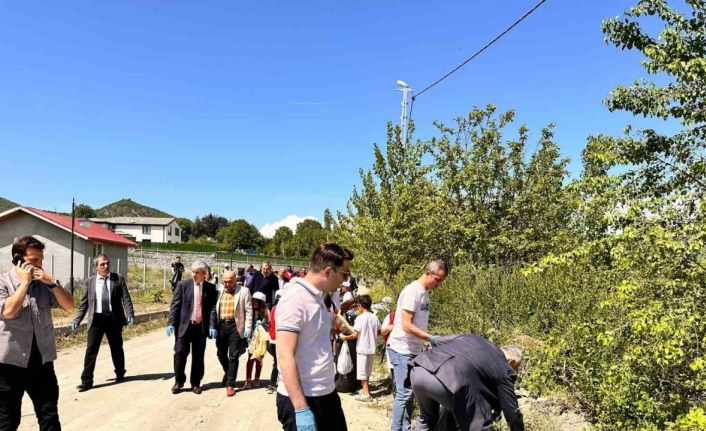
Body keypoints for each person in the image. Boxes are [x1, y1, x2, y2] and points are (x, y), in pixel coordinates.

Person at [276, 243, 354, 431]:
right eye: (344, 274)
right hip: (303, 398)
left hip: (326, 393)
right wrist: (301, 408)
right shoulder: (295, 299)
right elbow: (285, 354)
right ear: (328, 271)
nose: (345, 281)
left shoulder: (320, 297)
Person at [0, 236, 74, 430]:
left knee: (49, 417)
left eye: (41, 260)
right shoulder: (3, 283)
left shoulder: (44, 284)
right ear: (18, 259)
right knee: (7, 421)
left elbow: (69, 305)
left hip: (41, 362)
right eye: (33, 260)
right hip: (9, 365)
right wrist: (24, 284)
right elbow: (8, 311)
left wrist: (52, 284)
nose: (39, 265)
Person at [410, 335, 524, 431]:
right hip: (448, 381)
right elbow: (512, 412)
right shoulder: (504, 367)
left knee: (427, 419)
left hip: (420, 369)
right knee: (479, 425)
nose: (513, 372)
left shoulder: (473, 338)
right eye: (515, 368)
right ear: (511, 361)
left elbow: (437, 341)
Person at [388, 260, 448, 431]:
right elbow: (406, 325)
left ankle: (405, 427)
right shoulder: (412, 292)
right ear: (428, 273)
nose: (439, 284)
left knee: (410, 393)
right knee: (404, 394)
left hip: (415, 350)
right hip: (402, 349)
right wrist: (431, 338)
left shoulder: (425, 293)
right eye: (438, 280)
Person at [71, 253, 135, 392]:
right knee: (91, 350)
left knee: (116, 347)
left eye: (107, 263)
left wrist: (130, 313)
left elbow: (126, 298)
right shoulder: (90, 282)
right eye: (102, 264)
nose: (106, 266)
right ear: (96, 267)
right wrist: (77, 320)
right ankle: (86, 381)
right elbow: (84, 304)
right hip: (96, 320)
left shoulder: (118, 279)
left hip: (113, 319)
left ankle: (120, 372)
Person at [166, 260, 217, 395]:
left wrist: (212, 325)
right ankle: (179, 381)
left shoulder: (210, 289)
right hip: (184, 326)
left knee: (198, 356)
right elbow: (175, 306)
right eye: (193, 272)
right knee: (180, 354)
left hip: (200, 328)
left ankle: (195, 383)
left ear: (205, 274)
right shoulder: (182, 285)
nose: (194, 275)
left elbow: (212, 309)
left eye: (197, 273)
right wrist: (171, 323)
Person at [211, 271, 252, 397]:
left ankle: (230, 384)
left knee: (233, 356)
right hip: (221, 325)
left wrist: (248, 328)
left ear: (235, 280)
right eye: (225, 281)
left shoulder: (244, 291)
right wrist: (212, 326)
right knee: (221, 353)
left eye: (230, 281)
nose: (227, 284)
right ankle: (228, 372)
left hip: (236, 326)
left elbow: (249, 311)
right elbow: (213, 309)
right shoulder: (219, 290)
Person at [339, 294, 380, 402]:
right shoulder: (374, 317)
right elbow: (379, 332)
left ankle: (366, 394)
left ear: (361, 306)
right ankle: (365, 390)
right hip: (372, 347)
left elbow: (355, 335)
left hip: (362, 347)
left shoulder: (360, 318)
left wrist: (345, 337)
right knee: (367, 371)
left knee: (362, 371)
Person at [245, 291, 270, 389]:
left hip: (261, 340)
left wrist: (263, 325)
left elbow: (269, 324)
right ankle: (248, 379)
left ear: (261, 302)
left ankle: (256, 378)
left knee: (259, 358)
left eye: (257, 301)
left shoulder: (266, 312)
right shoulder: (249, 310)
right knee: (250, 358)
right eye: (253, 300)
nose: (254, 302)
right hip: (251, 338)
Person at [266, 290, 282, 394]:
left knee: (277, 362)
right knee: (278, 363)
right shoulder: (281, 308)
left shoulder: (273, 309)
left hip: (272, 340)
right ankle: (273, 383)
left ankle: (274, 383)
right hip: (277, 340)